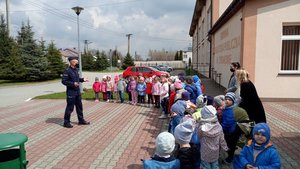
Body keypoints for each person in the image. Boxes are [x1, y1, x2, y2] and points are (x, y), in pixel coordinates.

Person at [61, 56, 90, 128]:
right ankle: (66, 122)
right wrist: (73, 84)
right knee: (70, 108)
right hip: (71, 93)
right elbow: (64, 81)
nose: (77, 61)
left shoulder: (76, 70)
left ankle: (81, 120)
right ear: (71, 61)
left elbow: (77, 79)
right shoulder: (67, 70)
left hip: (77, 92)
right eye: (75, 60)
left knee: (79, 107)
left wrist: (83, 79)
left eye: (77, 60)